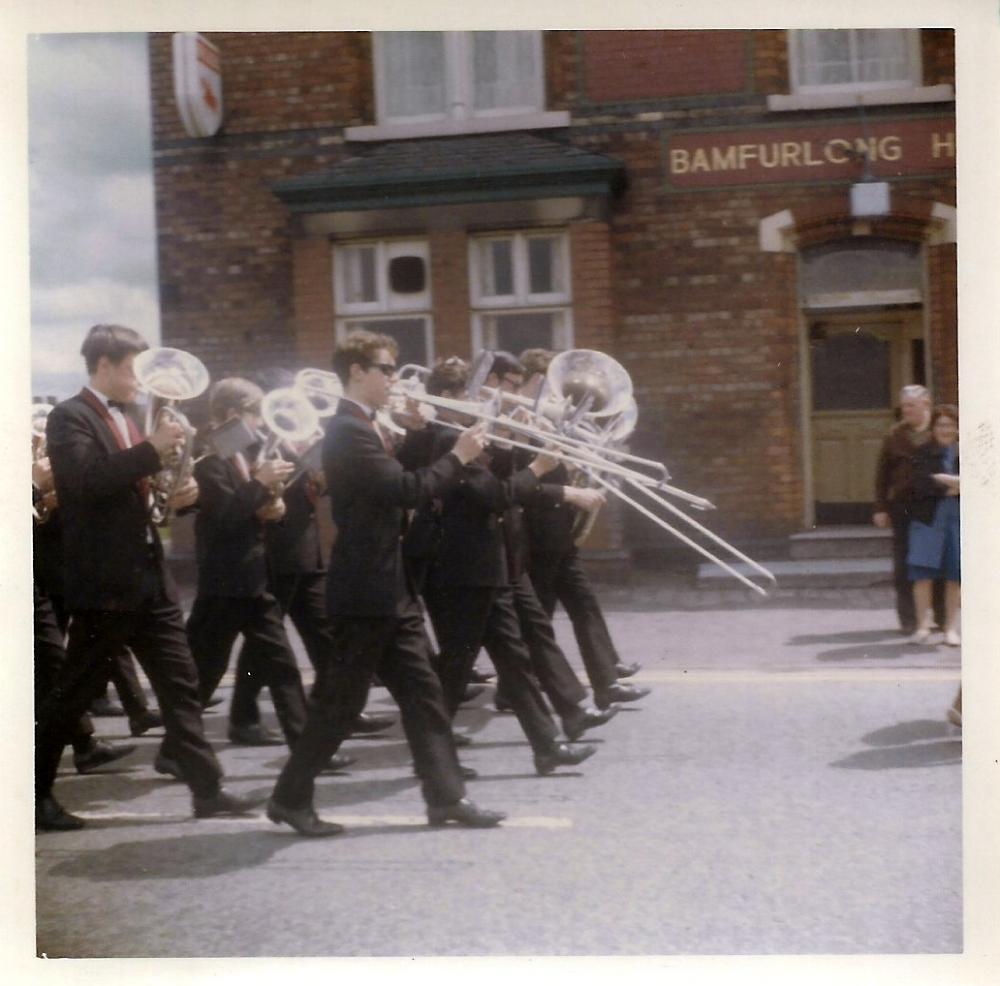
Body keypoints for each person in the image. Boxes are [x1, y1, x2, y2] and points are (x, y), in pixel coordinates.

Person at [267, 331, 506, 836]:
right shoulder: (346, 430)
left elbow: (399, 472)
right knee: (340, 704)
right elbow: (404, 488)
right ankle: (289, 797)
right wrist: (458, 454)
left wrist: (421, 438)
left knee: (424, 696)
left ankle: (446, 798)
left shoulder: (366, 426)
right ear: (356, 371)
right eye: (385, 369)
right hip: (366, 588)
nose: (394, 379)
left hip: (387, 586)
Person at [36, 324, 261, 830]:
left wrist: (180, 497)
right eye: (133, 369)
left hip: (148, 581)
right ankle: (33, 795)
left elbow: (141, 493)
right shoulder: (68, 416)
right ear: (105, 366)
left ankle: (208, 789)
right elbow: (86, 482)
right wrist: (152, 449)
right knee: (71, 694)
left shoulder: (131, 420)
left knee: (182, 686)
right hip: (106, 585)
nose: (141, 381)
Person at [415, 357, 610, 765]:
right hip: (464, 568)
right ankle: (430, 755)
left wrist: (508, 442)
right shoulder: (446, 439)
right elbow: (495, 496)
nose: (481, 402)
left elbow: (498, 481)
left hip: (490, 564)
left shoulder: (463, 435)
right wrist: (539, 467)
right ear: (448, 398)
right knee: (455, 665)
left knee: (515, 658)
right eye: (472, 394)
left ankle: (548, 745)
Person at [228, 370, 395, 749]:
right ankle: (244, 716)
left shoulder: (300, 435)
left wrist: (320, 477)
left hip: (305, 549)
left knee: (324, 637)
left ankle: (339, 712)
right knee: (267, 644)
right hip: (280, 548)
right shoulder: (259, 437)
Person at [157, 377, 307, 772]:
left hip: (249, 579)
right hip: (227, 581)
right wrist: (259, 485)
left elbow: (245, 510)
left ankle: (310, 750)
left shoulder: (240, 456)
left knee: (281, 667)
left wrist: (269, 505)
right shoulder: (209, 462)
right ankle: (172, 751)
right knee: (207, 672)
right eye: (253, 414)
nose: (260, 423)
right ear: (229, 415)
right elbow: (223, 517)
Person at [518, 348, 651, 707]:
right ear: (535, 380)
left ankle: (606, 683)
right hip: (536, 533)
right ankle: (514, 686)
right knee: (539, 619)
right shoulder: (518, 419)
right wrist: (571, 491)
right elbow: (520, 486)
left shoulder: (550, 418)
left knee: (581, 603)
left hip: (558, 533)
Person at [873, 385, 946, 635]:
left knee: (936, 560)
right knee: (904, 562)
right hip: (902, 506)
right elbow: (882, 475)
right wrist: (881, 507)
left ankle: (940, 617)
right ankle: (909, 620)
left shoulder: (941, 431)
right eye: (904, 406)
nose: (906, 411)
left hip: (934, 505)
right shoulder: (894, 435)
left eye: (911, 405)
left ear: (926, 403)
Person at [907, 404, 961, 646]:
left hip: (959, 519)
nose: (945, 429)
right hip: (928, 518)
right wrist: (957, 484)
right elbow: (919, 485)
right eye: (940, 425)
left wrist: (943, 479)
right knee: (923, 574)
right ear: (933, 427)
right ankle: (922, 627)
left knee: (954, 575)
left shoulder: (968, 452)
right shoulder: (922, 452)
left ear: (958, 428)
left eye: (950, 425)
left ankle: (950, 629)